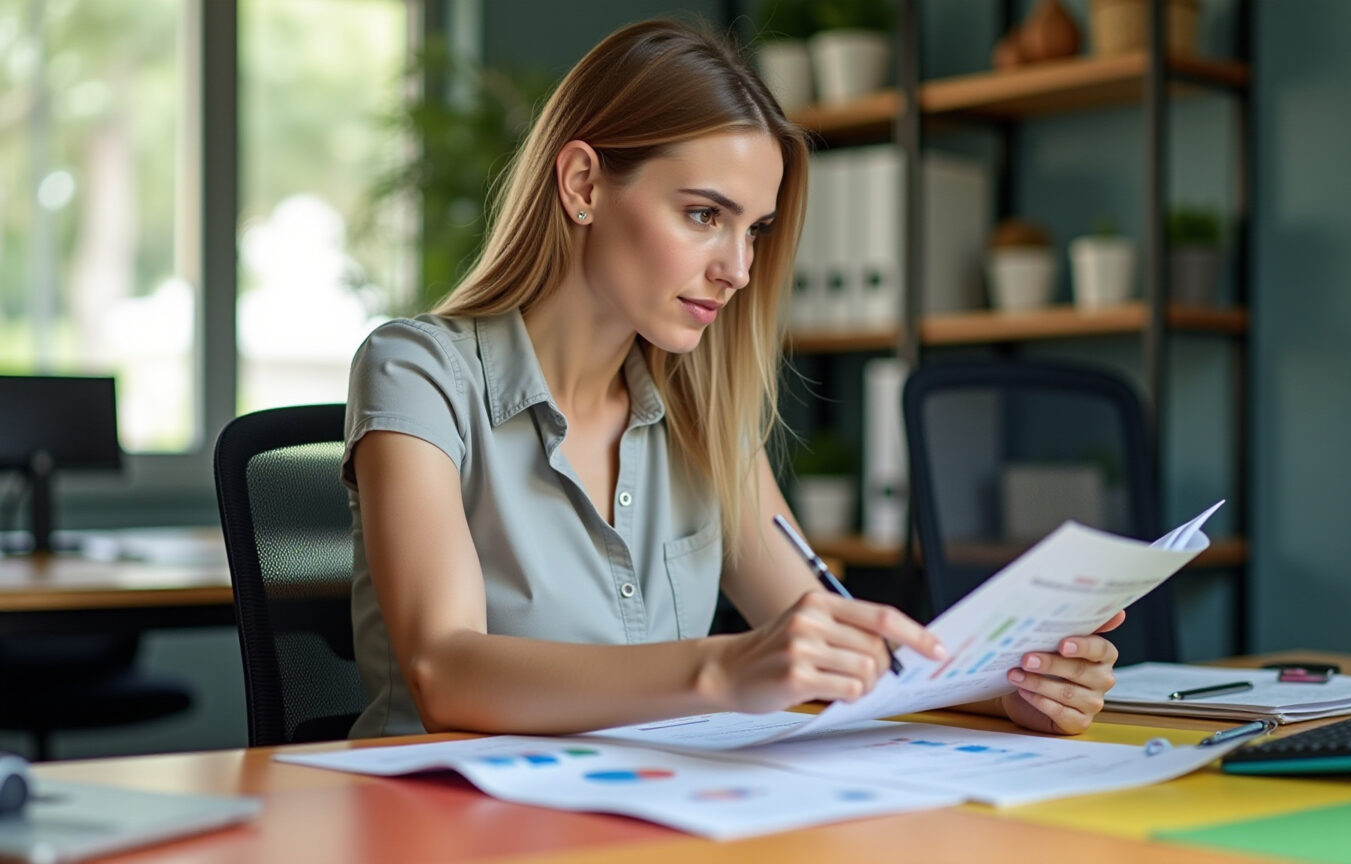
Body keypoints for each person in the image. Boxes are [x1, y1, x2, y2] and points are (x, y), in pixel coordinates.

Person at [342, 18, 1124, 740]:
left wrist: (1009, 685)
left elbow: (830, 640)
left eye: (754, 230)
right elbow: (444, 670)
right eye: (704, 216)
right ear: (582, 184)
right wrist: (724, 667)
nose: (739, 269)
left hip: (638, 813)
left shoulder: (700, 417)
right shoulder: (418, 372)